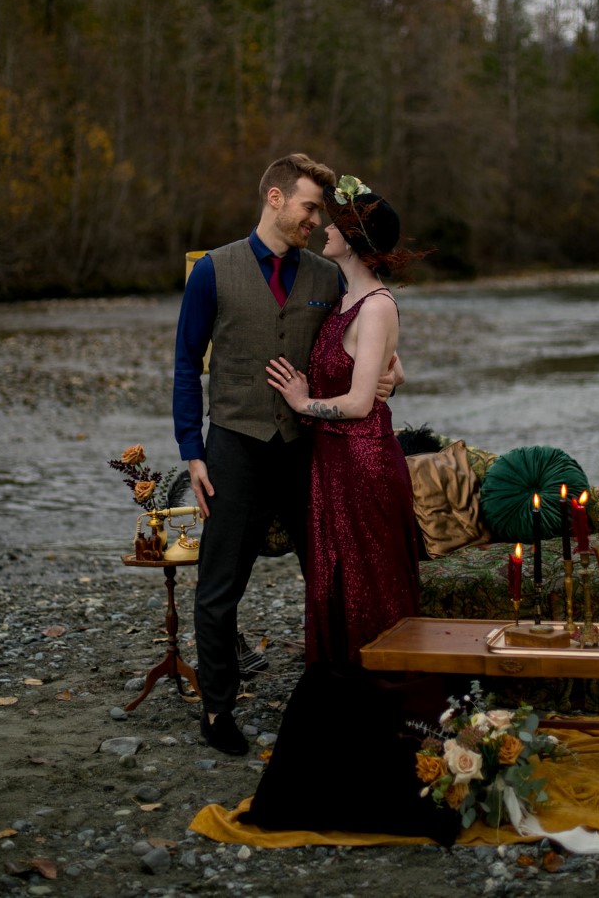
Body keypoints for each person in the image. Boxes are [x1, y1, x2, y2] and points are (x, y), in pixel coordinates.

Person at [173, 155, 397, 755]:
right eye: (308, 207)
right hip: (234, 449)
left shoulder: (328, 277)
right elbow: (184, 365)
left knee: (326, 576)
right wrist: (192, 450)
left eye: (320, 211)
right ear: (275, 198)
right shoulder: (213, 271)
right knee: (219, 587)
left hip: (307, 452)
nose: (315, 219)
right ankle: (217, 711)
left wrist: (388, 377)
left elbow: (372, 334)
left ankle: (334, 693)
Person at [266, 174, 420, 667]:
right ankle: (340, 693)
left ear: (353, 241)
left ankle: (380, 698)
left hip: (363, 465)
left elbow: (356, 405)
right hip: (334, 465)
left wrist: (301, 400)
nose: (324, 229)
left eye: (334, 224)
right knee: (336, 581)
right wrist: (389, 376)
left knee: (369, 585)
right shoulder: (346, 298)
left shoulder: (374, 306)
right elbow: (395, 367)